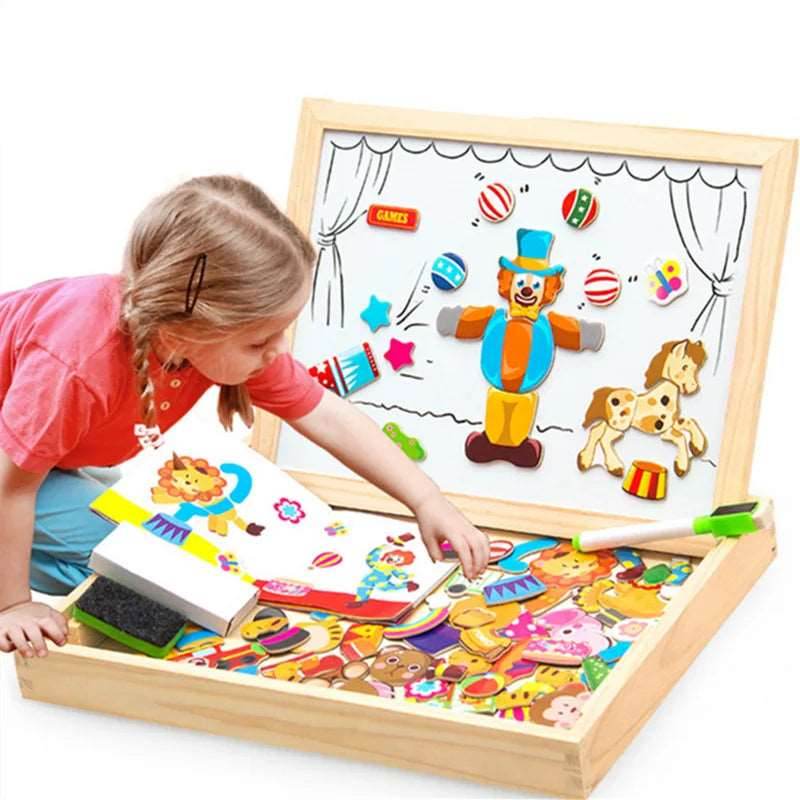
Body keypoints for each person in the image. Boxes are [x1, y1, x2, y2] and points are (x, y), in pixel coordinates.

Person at [0, 175, 490, 658]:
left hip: (39, 455)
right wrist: (14, 605)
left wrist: (426, 499)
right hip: (10, 468)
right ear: (184, 328)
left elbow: (327, 415)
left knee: (145, 534)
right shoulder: (75, 363)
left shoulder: (205, 336)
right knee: (136, 559)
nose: (278, 350)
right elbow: (12, 485)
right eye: (259, 341)